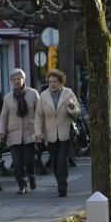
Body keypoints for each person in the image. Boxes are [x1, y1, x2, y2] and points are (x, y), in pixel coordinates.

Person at [34, 69, 81, 197]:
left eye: (55, 81)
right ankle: (60, 181)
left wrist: (71, 107)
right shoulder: (43, 96)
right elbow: (39, 117)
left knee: (62, 161)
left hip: (65, 133)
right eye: (50, 82)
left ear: (60, 82)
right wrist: (38, 133)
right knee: (54, 162)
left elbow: (77, 111)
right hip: (51, 135)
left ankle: (62, 186)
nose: (52, 84)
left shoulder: (68, 93)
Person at [0, 68, 40, 194]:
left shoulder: (33, 94)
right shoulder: (7, 98)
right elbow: (3, 116)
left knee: (28, 160)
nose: (16, 81)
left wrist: (39, 131)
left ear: (24, 79)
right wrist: (2, 132)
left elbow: (39, 113)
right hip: (13, 134)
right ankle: (22, 185)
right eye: (14, 79)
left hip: (29, 133)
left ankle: (31, 177)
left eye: (19, 79)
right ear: (11, 81)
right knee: (16, 163)